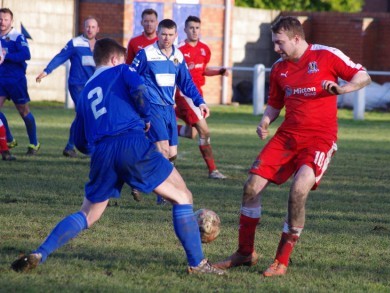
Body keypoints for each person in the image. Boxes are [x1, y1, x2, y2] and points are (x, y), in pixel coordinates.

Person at [11, 38, 224, 276]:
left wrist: (103, 149)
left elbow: (79, 140)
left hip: (102, 153)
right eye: (122, 59)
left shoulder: (84, 95)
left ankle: (41, 252)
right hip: (131, 143)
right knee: (183, 196)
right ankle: (198, 263)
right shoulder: (122, 70)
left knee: (87, 214)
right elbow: (140, 90)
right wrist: (145, 118)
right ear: (115, 59)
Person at [213, 16, 371, 277]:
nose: (276, 48)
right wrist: (265, 120)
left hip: (320, 139)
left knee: (298, 191)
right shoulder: (279, 68)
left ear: (296, 38)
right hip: (287, 136)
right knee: (251, 187)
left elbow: (363, 76)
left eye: (279, 43)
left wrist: (344, 89)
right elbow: (276, 102)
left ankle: (281, 261)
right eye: (275, 43)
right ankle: (244, 252)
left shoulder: (326, 56)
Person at [131, 19, 209, 205]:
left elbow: (186, 83)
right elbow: (130, 75)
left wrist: (200, 102)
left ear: (176, 36)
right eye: (163, 34)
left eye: (170, 35)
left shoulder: (178, 56)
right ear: (157, 34)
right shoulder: (146, 54)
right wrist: (136, 101)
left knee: (172, 154)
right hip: (152, 107)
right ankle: (163, 195)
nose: (166, 38)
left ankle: (137, 176)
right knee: (164, 150)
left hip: (169, 108)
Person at [36, 17, 99, 158]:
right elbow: (60, 57)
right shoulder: (75, 43)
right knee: (85, 113)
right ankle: (86, 147)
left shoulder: (100, 46)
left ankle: (71, 147)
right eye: (87, 26)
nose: (90, 29)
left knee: (82, 116)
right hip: (77, 85)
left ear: (98, 29)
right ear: (83, 28)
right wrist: (47, 71)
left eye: (93, 27)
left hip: (93, 87)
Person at [175, 16, 228, 180]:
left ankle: (167, 126)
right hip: (185, 95)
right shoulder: (179, 51)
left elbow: (203, 70)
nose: (194, 31)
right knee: (204, 131)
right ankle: (213, 170)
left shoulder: (205, 49)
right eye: (191, 28)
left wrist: (219, 72)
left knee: (190, 133)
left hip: (198, 96)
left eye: (197, 28)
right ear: (185, 30)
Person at [126, 8, 158, 202]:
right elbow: (129, 70)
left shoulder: (162, 43)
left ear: (157, 22)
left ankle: (156, 187)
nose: (149, 24)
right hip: (140, 98)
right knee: (142, 141)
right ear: (141, 22)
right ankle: (136, 183)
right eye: (145, 21)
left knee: (164, 147)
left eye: (152, 21)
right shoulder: (134, 43)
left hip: (159, 101)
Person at [0, 8, 40, 156]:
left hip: (16, 80)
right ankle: (9, 139)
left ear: (11, 21)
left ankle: (34, 143)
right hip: (0, 80)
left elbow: (26, 54)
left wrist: (6, 55)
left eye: (5, 19)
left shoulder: (17, 36)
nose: (2, 22)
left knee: (24, 112)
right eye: (0, 19)